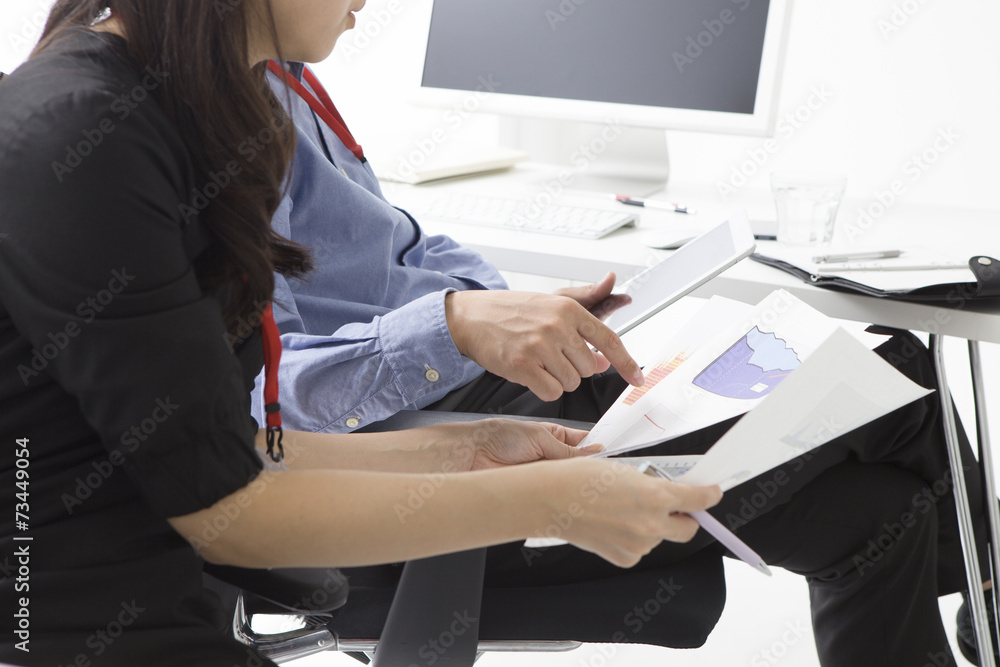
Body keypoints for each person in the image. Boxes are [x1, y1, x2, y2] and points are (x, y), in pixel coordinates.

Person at [0, 2, 727, 665]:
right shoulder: (86, 135)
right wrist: (551, 498)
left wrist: (467, 448)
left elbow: (225, 450)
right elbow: (229, 509)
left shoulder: (180, 107)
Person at [256, 26, 994, 667]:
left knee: (882, 509)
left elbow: (395, 251)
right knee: (887, 370)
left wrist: (506, 310)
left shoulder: (288, 81)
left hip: (487, 384)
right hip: (426, 454)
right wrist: (454, 324)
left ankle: (988, 590)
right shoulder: (211, 125)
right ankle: (991, 592)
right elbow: (269, 401)